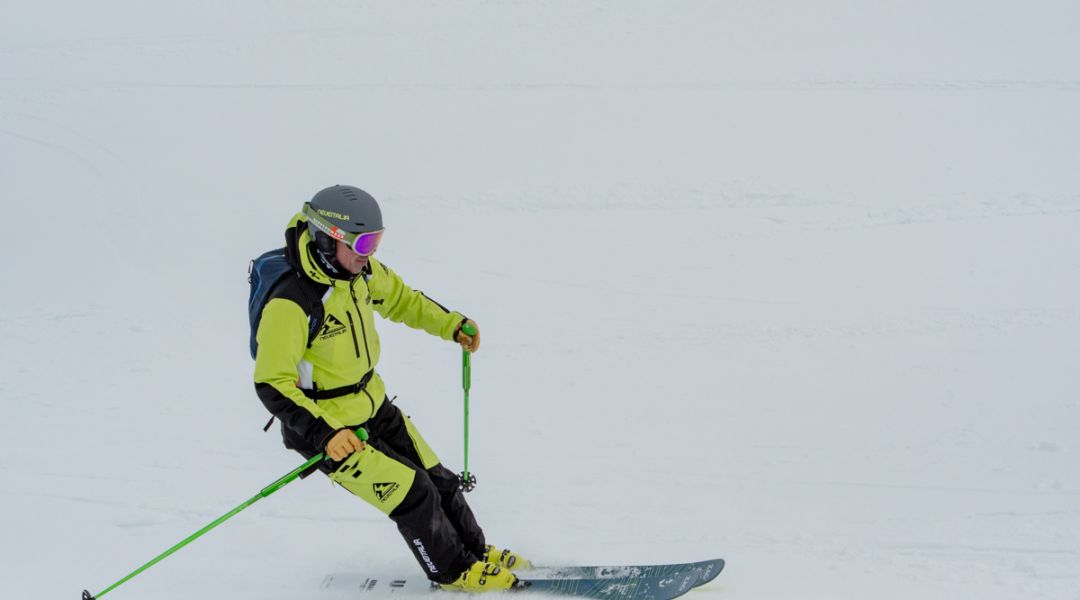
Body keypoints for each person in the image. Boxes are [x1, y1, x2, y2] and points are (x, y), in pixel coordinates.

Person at [253, 185, 528, 591]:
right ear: (331, 238)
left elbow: (402, 301)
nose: (371, 253)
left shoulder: (359, 273)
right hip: (329, 430)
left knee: (437, 478)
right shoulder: (291, 301)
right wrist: (326, 434)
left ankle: (475, 550)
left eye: (376, 241)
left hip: (373, 404)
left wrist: (450, 324)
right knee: (411, 492)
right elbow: (271, 383)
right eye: (363, 243)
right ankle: (453, 572)